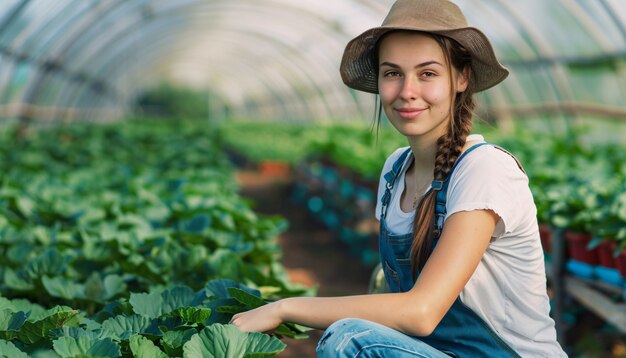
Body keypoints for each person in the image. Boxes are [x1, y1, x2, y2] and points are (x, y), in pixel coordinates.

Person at [231, 0, 567, 356]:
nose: (407, 91)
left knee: (352, 341)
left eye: (428, 73)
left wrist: (283, 307)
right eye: (392, 73)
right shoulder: (395, 171)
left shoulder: (483, 169)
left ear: (462, 77)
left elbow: (421, 313)